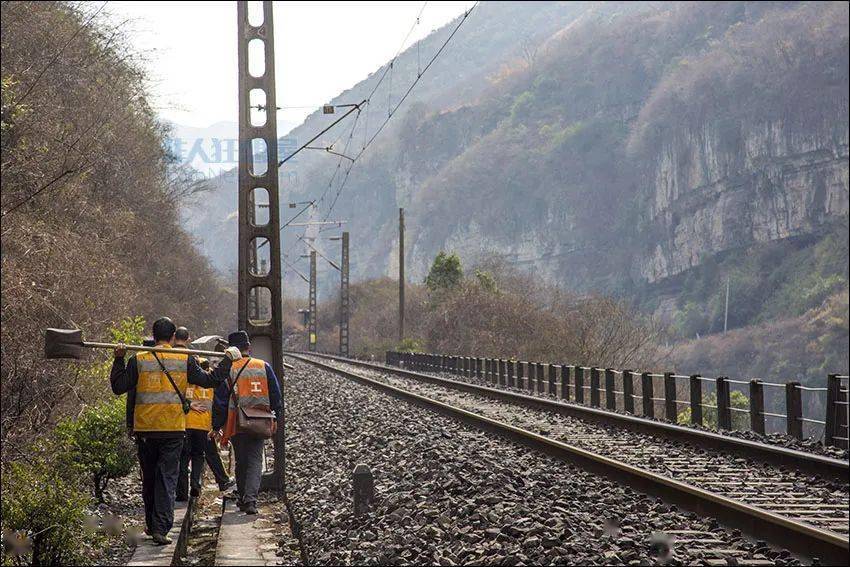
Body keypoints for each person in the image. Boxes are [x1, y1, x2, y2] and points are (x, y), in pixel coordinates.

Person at [110, 317, 239, 545]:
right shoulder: (184, 359)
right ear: (171, 337)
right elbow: (210, 380)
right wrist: (228, 360)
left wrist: (118, 360)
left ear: (153, 334)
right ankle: (160, 528)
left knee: (149, 479)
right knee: (166, 479)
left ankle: (152, 525)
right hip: (172, 430)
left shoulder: (138, 359)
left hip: (146, 431)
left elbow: (119, 387)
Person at [212, 330, 282, 516]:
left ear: (229, 349)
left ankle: (244, 497)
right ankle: (250, 500)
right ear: (248, 347)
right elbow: (276, 396)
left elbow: (219, 401)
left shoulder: (228, 369)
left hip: (236, 422)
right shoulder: (263, 366)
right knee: (254, 460)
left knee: (241, 460)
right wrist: (275, 417)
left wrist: (216, 426)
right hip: (260, 421)